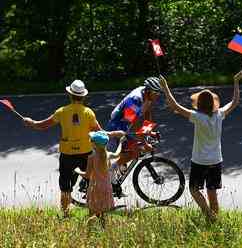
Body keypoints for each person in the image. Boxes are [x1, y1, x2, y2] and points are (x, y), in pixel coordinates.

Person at [159, 71, 242, 221]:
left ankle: (208, 214)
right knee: (212, 193)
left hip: (199, 161)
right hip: (216, 160)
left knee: (194, 190)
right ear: (214, 103)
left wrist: (165, 87)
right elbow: (235, 101)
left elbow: (175, 106)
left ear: (199, 104)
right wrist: (236, 82)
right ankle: (214, 220)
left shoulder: (197, 117)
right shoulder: (220, 115)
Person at [23, 79, 101, 217]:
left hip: (67, 154)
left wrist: (31, 122)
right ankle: (93, 213)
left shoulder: (62, 112)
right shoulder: (89, 113)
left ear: (70, 95)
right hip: (86, 153)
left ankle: (65, 214)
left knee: (65, 184)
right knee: (91, 183)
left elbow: (42, 125)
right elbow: (99, 132)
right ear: (83, 96)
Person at [106, 77, 162, 179]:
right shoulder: (135, 99)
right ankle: (109, 171)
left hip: (127, 123)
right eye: (156, 94)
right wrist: (145, 143)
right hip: (117, 125)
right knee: (134, 152)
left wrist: (149, 131)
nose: (157, 97)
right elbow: (134, 125)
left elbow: (148, 113)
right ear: (149, 91)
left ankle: (114, 177)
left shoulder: (148, 94)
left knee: (132, 152)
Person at [75, 130, 125, 228]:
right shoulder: (108, 155)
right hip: (106, 187)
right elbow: (118, 153)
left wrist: (77, 171)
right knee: (102, 211)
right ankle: (103, 228)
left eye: (91, 140)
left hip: (95, 187)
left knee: (92, 211)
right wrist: (121, 142)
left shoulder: (91, 157)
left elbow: (87, 175)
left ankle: (90, 230)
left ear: (93, 144)